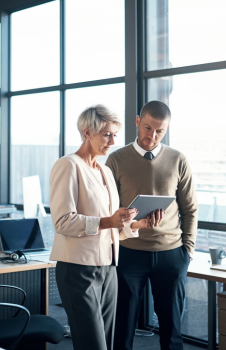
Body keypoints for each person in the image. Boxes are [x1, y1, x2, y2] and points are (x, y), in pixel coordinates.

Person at [49, 104, 161, 350]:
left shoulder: (106, 171)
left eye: (115, 135)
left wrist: (137, 224)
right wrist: (109, 221)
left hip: (109, 268)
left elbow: (112, 227)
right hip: (78, 269)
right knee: (93, 345)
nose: (112, 141)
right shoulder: (68, 166)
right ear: (88, 132)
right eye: (107, 134)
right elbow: (62, 221)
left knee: (109, 344)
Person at [106, 100, 198, 350]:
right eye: (147, 128)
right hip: (129, 253)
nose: (152, 136)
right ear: (137, 121)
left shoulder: (179, 160)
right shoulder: (116, 160)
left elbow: (190, 209)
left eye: (160, 131)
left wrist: (187, 251)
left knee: (172, 330)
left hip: (171, 254)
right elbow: (107, 211)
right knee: (123, 326)